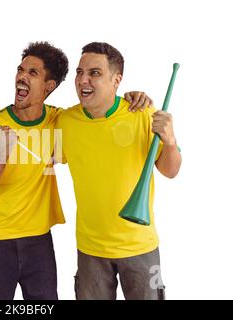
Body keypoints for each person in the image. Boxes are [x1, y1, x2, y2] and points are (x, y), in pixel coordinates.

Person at [0, 41, 152, 300]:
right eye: (21, 70)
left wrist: (131, 96)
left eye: (32, 73)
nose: (22, 76)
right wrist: (1, 155)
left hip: (39, 243)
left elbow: (96, 117)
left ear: (49, 86)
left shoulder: (60, 122)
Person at [56, 42, 182, 300]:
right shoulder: (66, 122)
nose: (83, 80)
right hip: (90, 249)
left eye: (94, 73)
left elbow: (171, 171)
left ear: (117, 80)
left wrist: (170, 141)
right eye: (80, 72)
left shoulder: (143, 114)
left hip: (140, 247)